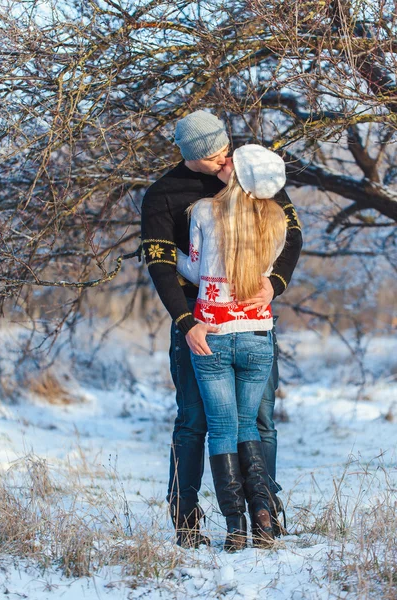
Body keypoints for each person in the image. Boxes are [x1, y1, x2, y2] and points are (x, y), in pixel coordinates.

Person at [141, 110, 302, 548]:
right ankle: (186, 517)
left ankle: (266, 510)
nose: (223, 163)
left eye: (225, 151)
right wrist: (185, 320)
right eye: (213, 158)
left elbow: (292, 233)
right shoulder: (163, 195)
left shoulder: (247, 169)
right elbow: (158, 264)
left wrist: (275, 283)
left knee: (262, 420)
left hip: (251, 316)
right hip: (199, 325)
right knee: (194, 421)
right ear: (191, 156)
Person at [176, 144, 288, 551]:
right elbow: (268, 274)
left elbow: (191, 266)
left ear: (238, 178)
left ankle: (236, 528)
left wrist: (169, 254)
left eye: (231, 164)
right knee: (247, 426)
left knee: (221, 430)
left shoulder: (204, 211)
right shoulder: (277, 221)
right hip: (258, 335)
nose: (225, 163)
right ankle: (262, 512)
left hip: (214, 335)